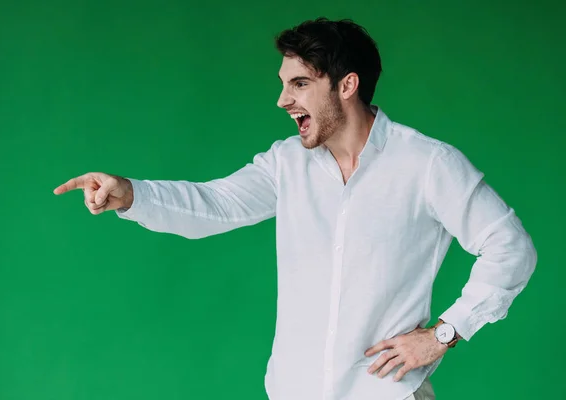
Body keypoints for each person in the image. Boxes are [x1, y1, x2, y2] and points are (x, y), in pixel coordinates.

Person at [53, 17, 537, 400]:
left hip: (386, 395)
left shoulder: (428, 164)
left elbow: (510, 248)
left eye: (300, 84)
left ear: (346, 86)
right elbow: (215, 203)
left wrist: (444, 334)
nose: (284, 100)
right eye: (285, 84)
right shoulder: (287, 164)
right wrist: (131, 193)